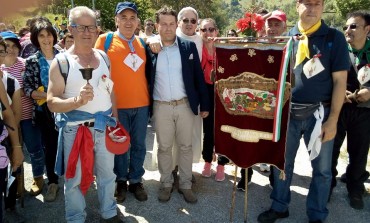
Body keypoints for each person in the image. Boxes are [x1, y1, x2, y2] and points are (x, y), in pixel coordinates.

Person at [257, 0, 350, 223]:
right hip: (287, 114)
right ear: (297, 5)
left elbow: (340, 82)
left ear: (323, 6)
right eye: (307, 2)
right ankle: (280, 206)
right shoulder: (286, 37)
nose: (312, 8)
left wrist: (333, 120)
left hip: (321, 114)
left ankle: (317, 214)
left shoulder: (334, 38)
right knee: (282, 165)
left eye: (317, 3)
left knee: (322, 170)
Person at [47, 6, 122, 222]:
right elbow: (52, 102)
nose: (87, 32)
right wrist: (77, 101)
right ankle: (76, 218)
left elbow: (111, 90)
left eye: (92, 27)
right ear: (71, 29)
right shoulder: (61, 63)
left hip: (104, 127)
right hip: (75, 130)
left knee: (108, 175)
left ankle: (109, 212)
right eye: (82, 27)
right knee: (74, 179)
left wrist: (115, 120)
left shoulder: (103, 57)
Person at [150, 6, 209, 204]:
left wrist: (205, 104)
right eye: (163, 24)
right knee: (164, 147)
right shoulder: (149, 48)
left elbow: (198, 78)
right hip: (161, 106)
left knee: (186, 146)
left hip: (185, 105)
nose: (167, 28)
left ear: (176, 25)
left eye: (171, 24)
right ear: (157, 25)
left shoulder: (187, 47)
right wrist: (150, 41)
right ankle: (166, 183)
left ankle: (185, 184)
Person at [95, 2, 151, 203]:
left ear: (137, 21)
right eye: (123, 17)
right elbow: (97, 72)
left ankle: (136, 180)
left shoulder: (143, 43)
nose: (128, 22)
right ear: (116, 20)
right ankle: (120, 181)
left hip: (142, 104)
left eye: (132, 18)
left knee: (139, 145)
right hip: (117, 106)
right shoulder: (105, 40)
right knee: (119, 146)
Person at [330, 10, 370, 210]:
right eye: (346, 26)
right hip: (339, 108)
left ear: (367, 29)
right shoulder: (338, 50)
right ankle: (326, 186)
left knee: (359, 152)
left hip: (365, 111)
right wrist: (337, 91)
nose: (347, 30)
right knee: (331, 149)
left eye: (353, 26)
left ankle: (355, 188)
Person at [23, 16, 60, 202]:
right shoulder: (31, 61)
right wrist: (48, 96)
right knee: (51, 146)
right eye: (41, 36)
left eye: (49, 35)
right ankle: (53, 182)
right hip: (44, 112)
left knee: (69, 144)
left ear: (54, 35)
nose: (46, 39)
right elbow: (28, 89)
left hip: (66, 108)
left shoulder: (64, 56)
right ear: (36, 39)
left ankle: (73, 179)